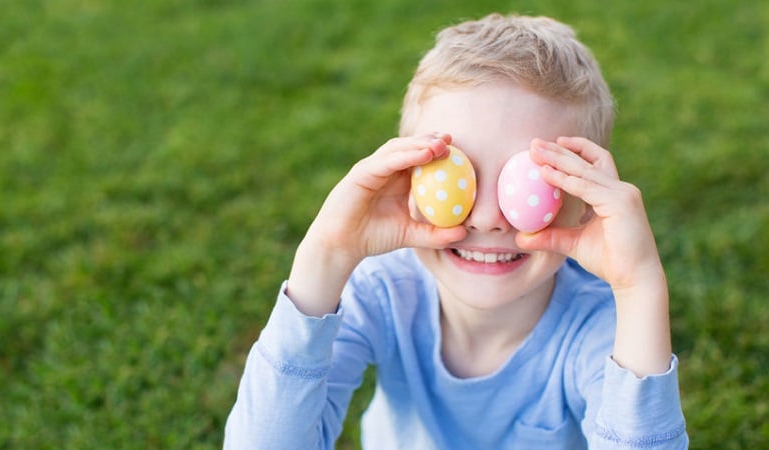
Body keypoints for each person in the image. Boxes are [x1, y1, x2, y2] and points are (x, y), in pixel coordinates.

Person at [224, 13, 688, 449]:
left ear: (586, 205)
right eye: (453, 176)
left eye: (529, 180)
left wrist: (639, 287)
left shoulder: (597, 329)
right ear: (407, 181)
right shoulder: (383, 291)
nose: (486, 218)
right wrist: (324, 257)